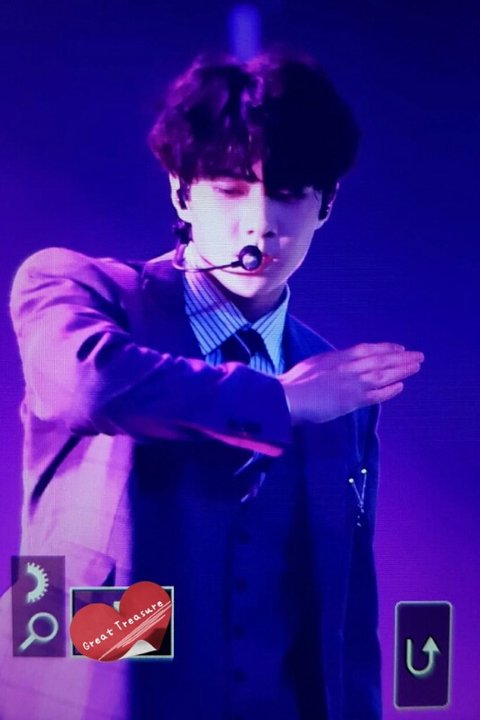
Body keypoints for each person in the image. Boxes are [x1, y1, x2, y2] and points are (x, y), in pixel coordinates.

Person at [0, 49, 424, 719]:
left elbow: (345, 610)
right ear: (181, 192)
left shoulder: (333, 378)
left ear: (326, 204)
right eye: (229, 188)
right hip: (95, 695)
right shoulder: (82, 288)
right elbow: (86, 386)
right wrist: (279, 401)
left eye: (289, 193)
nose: (260, 223)